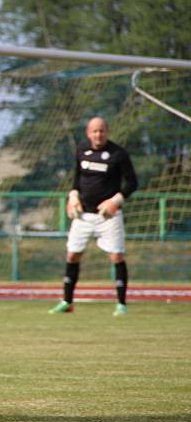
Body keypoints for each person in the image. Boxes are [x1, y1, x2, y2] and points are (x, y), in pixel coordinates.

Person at [49, 117, 138, 316]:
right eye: (95, 131)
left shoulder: (118, 154)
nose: (98, 135)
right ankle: (67, 301)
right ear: (88, 133)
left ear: (107, 132)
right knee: (72, 255)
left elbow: (132, 183)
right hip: (83, 215)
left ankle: (121, 304)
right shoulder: (81, 150)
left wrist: (115, 201)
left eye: (102, 131)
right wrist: (72, 196)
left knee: (116, 256)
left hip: (108, 216)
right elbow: (76, 180)